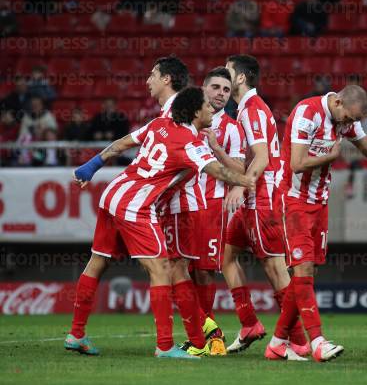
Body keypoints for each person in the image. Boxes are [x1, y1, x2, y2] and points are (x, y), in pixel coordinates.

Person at [64, 86, 255, 359]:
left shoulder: (158, 123)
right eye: (206, 105)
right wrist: (246, 179)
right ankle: (165, 346)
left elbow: (120, 144)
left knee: (97, 262)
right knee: (163, 269)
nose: (211, 108)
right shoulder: (189, 144)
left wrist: (90, 166)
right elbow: (216, 170)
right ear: (193, 112)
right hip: (136, 206)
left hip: (114, 194)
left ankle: (76, 334)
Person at [264, 85, 367, 362]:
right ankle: (317, 341)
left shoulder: (345, 117)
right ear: (338, 102)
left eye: (353, 120)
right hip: (293, 201)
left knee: (306, 275)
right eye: (349, 118)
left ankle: (278, 343)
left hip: (320, 203)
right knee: (302, 270)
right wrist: (331, 156)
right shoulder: (307, 113)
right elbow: (297, 163)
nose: (350, 125)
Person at [222, 54, 308, 355]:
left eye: (228, 70)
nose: (223, 73)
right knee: (226, 255)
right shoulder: (246, 108)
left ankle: (298, 341)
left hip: (262, 195)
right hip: (253, 194)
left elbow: (262, 157)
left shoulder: (252, 110)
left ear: (241, 78)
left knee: (274, 267)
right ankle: (249, 324)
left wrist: (239, 185)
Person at [157, 67, 246, 356]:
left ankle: (206, 338)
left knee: (204, 272)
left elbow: (240, 169)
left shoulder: (231, 128)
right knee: (179, 270)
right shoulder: (183, 123)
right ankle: (202, 334)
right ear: (203, 90)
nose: (221, 94)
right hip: (180, 205)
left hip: (212, 207)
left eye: (226, 90)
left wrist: (238, 187)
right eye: (216, 88)